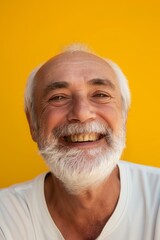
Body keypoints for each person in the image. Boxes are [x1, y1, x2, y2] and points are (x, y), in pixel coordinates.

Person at [0, 44, 160, 240]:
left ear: (124, 116)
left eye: (100, 95)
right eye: (58, 97)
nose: (82, 114)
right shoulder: (5, 216)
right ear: (33, 123)